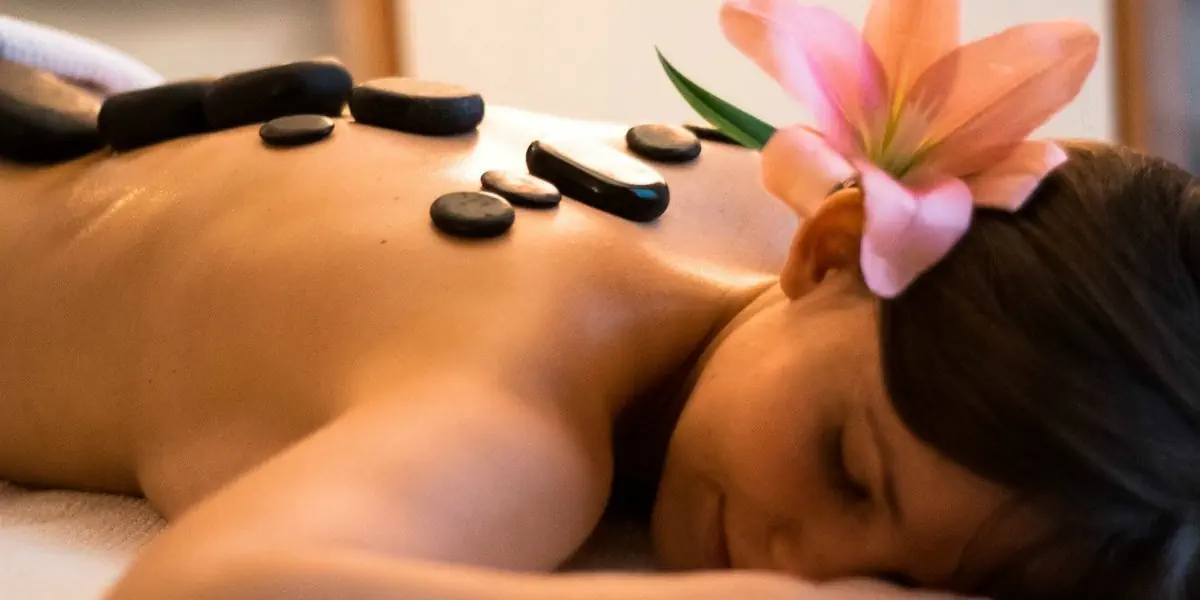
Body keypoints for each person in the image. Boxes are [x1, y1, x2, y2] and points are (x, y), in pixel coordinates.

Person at [0, 2, 1193, 600]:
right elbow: (205, 589)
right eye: (844, 467)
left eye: (900, 585)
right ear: (831, 249)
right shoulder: (525, 418)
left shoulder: (760, 201)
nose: (803, 566)